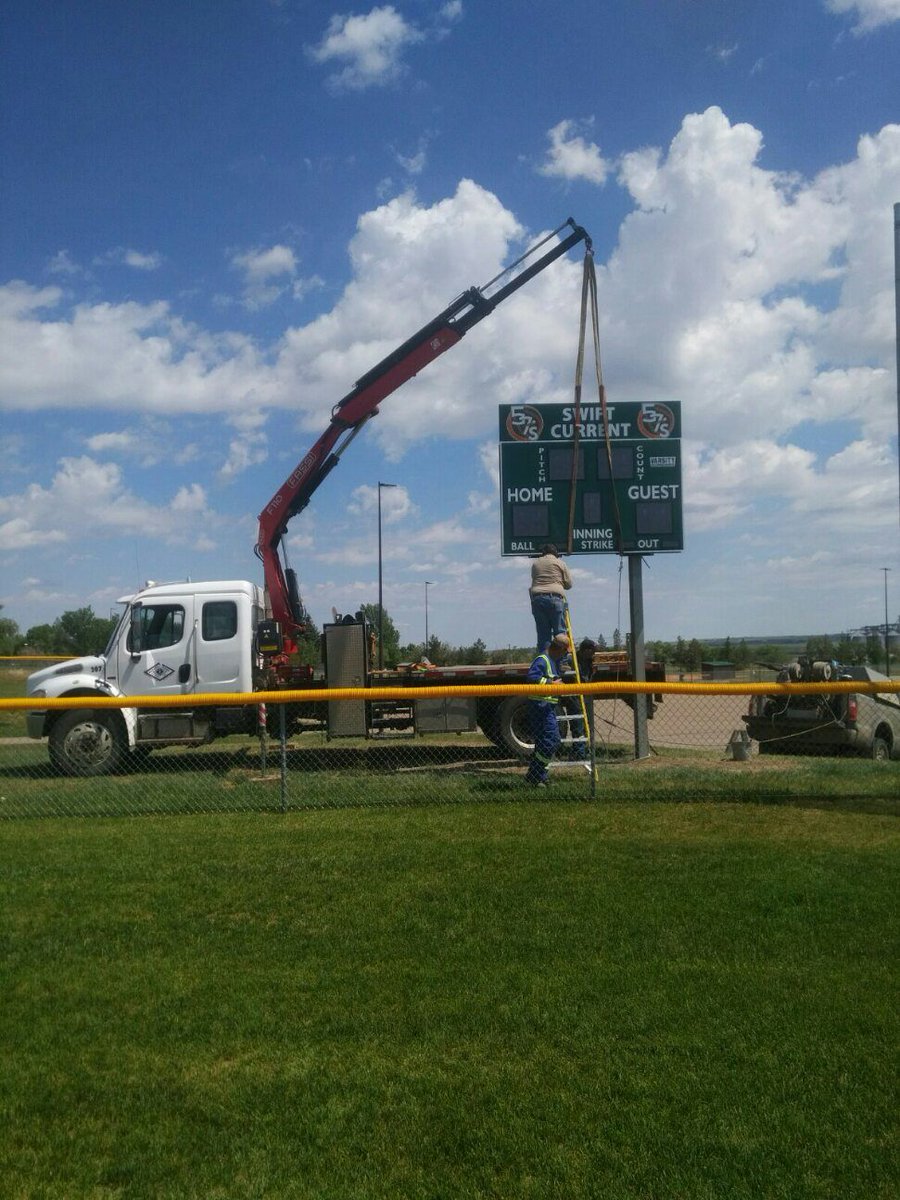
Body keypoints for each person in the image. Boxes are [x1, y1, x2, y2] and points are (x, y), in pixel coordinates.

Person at [525, 633, 570, 786]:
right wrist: (551, 684)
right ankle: (535, 775)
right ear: (559, 649)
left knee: (545, 742)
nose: (565, 655)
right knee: (552, 741)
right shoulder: (542, 660)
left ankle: (538, 777)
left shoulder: (553, 660)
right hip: (540, 708)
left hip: (547, 707)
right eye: (565, 651)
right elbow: (532, 678)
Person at [529, 544, 573, 652]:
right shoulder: (560, 563)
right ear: (555, 553)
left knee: (543, 635)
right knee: (560, 632)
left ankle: (545, 662)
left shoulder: (535, 564)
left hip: (537, 599)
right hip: (555, 598)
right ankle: (562, 661)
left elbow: (534, 578)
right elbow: (569, 584)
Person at [558, 638, 597, 759]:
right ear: (586, 650)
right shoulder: (572, 659)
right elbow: (561, 672)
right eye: (592, 650)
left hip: (584, 696)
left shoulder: (589, 661)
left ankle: (585, 750)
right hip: (574, 697)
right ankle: (578, 753)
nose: (594, 653)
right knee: (577, 725)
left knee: (587, 726)